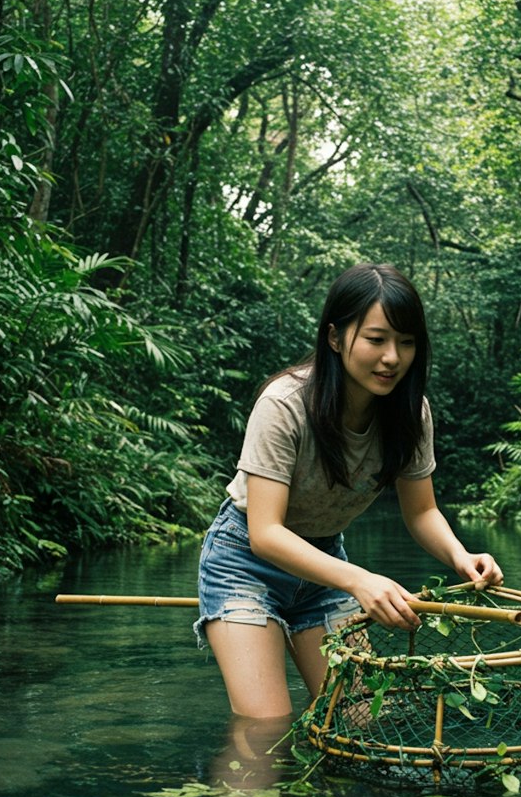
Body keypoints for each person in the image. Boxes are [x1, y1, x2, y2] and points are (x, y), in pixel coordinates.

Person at [194, 262, 503, 718]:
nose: (393, 357)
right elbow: (265, 532)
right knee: (267, 727)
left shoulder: (411, 414)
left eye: (407, 342)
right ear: (336, 338)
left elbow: (421, 512)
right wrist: (360, 580)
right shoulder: (284, 404)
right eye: (377, 339)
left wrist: (462, 557)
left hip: (322, 568)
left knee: (359, 719)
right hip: (245, 563)